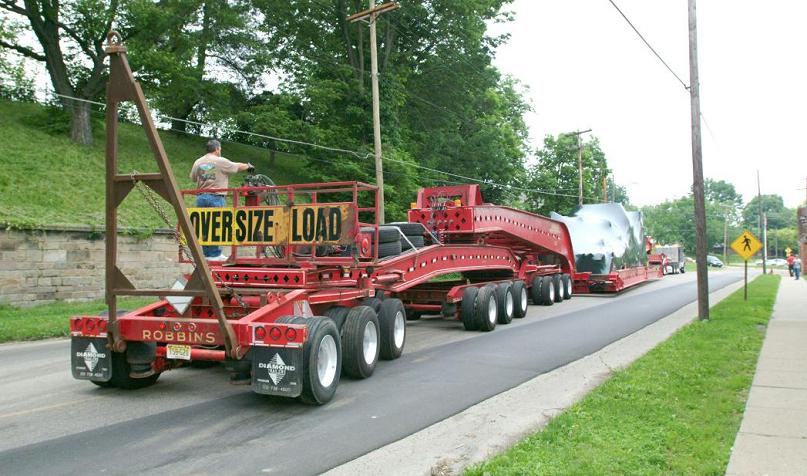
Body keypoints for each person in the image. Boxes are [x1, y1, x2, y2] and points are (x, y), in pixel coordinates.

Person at [190, 139, 253, 260]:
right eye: (220, 149)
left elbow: (193, 178)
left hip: (201, 197)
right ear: (217, 149)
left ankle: (209, 254)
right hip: (216, 197)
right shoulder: (220, 161)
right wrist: (248, 166)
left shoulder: (198, 162)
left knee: (205, 225)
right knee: (217, 225)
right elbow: (236, 166)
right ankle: (214, 254)